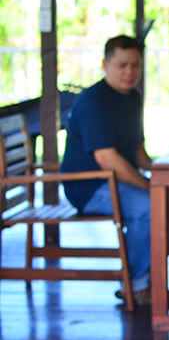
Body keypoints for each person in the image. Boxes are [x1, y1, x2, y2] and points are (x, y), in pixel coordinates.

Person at [61, 35, 152, 305]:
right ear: (105, 64)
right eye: (122, 65)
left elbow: (137, 151)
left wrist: (163, 173)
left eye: (135, 65)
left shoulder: (132, 97)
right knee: (149, 207)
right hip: (88, 186)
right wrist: (148, 185)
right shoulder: (94, 100)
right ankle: (134, 285)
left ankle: (149, 277)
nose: (129, 72)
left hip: (117, 180)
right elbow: (107, 158)